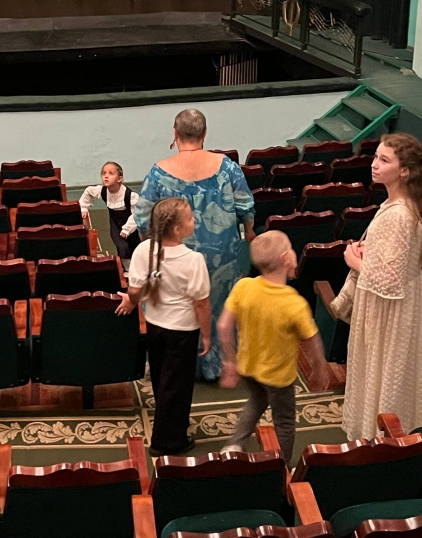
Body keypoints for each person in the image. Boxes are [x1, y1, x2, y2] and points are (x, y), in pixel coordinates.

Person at [329, 133, 422, 440]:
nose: (374, 164)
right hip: (402, 304)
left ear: (405, 171)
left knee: (383, 375)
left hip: (387, 310)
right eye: (375, 157)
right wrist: (370, 253)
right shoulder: (404, 205)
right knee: (392, 377)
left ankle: (382, 439)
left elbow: (388, 279)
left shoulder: (398, 214)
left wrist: (354, 261)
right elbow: (410, 258)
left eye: (384, 160)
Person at [135, 108, 255, 380]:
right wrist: (248, 231)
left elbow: (143, 219)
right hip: (222, 253)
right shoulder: (227, 166)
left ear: (175, 134)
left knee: (177, 305)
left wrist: (150, 248)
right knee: (218, 304)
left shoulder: (159, 172)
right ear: (204, 134)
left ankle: (178, 364)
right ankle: (218, 362)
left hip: (175, 254)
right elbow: (245, 206)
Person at [218, 231, 330, 462]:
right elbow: (313, 340)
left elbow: (223, 325)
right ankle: (281, 467)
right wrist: (320, 368)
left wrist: (230, 359)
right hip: (278, 378)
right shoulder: (293, 303)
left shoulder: (244, 286)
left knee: (257, 400)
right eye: (291, 249)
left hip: (249, 368)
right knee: (285, 422)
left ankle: (235, 444)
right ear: (285, 258)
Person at [117, 197, 211, 456]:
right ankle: (167, 441)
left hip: (155, 326)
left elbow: (134, 290)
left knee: (162, 380)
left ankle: (171, 421)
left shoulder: (143, 250)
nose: (194, 220)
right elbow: (201, 303)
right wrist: (206, 334)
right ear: (178, 229)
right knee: (177, 385)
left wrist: (132, 302)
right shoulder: (193, 260)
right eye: (190, 218)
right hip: (183, 331)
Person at [79, 161, 141, 262]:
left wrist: (127, 229)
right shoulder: (102, 191)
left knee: (135, 247)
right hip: (115, 224)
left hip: (132, 224)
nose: (106, 176)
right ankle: (125, 268)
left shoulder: (130, 196)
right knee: (121, 247)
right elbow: (88, 191)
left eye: (111, 173)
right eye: (104, 173)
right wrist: (84, 207)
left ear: (119, 178)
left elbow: (136, 214)